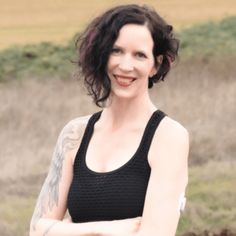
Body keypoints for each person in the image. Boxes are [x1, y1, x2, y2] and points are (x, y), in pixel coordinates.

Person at [30, 4, 189, 236]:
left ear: (155, 65)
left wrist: (66, 230)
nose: (125, 66)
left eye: (139, 55)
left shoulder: (169, 137)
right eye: (116, 51)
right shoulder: (74, 134)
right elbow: (36, 229)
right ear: (102, 55)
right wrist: (107, 229)